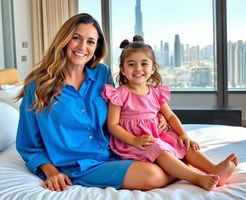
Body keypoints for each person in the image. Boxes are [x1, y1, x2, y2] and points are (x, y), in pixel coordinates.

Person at [16, 13, 174, 192]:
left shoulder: (102, 73)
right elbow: (28, 144)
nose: (83, 46)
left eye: (91, 41)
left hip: (117, 151)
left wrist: (158, 113)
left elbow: (123, 108)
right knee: (155, 175)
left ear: (97, 47)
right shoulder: (38, 85)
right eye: (76, 38)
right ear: (64, 40)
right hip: (79, 165)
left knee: (171, 153)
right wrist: (51, 171)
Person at [101, 35, 238, 191]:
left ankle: (213, 169)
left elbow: (170, 116)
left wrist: (183, 134)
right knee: (158, 147)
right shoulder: (118, 94)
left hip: (155, 134)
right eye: (131, 64)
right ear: (123, 70)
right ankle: (196, 177)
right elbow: (112, 125)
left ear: (152, 68)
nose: (138, 69)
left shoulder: (155, 93)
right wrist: (134, 140)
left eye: (144, 64)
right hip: (133, 141)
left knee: (181, 142)